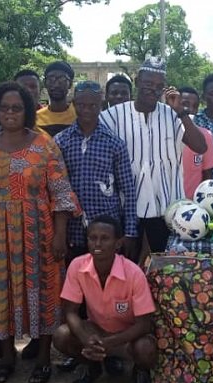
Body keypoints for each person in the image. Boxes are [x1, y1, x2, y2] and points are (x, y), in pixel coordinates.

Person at [0, 82, 80, 383]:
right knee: (0, 292)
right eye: (4, 107)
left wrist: (59, 235)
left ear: (27, 111)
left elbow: (60, 194)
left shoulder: (44, 145)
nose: (10, 113)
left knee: (43, 291)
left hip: (38, 232)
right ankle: (6, 357)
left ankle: (43, 358)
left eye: (16, 107)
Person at [99, 57, 207, 256]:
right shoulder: (111, 116)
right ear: (137, 81)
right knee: (126, 261)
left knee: (165, 264)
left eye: (159, 86)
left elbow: (200, 147)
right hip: (127, 205)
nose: (153, 89)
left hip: (167, 206)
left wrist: (181, 112)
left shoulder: (173, 114)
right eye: (148, 83)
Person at [53, 215, 157, 383]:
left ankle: (140, 373)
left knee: (147, 348)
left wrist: (111, 342)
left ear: (118, 244)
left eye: (105, 238)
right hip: (97, 332)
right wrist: (87, 340)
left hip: (128, 337)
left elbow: (144, 324)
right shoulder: (78, 266)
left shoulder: (134, 273)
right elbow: (70, 311)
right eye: (92, 238)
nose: (97, 243)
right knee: (62, 335)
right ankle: (90, 366)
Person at [54, 81, 136, 262]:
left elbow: (127, 190)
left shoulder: (114, 143)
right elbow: (55, 190)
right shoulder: (60, 141)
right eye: (81, 105)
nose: (87, 110)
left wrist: (130, 231)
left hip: (106, 231)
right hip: (72, 230)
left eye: (92, 105)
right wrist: (58, 233)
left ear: (101, 105)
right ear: (74, 104)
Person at [178, 86, 213, 198]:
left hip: (192, 207)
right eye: (185, 104)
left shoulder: (206, 136)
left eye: (195, 106)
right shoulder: (162, 133)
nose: (190, 109)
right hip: (164, 205)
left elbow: (207, 175)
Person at [36, 61, 76, 137]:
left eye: (62, 79)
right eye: (51, 79)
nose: (56, 84)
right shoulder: (36, 119)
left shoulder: (78, 117)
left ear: (70, 84)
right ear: (45, 83)